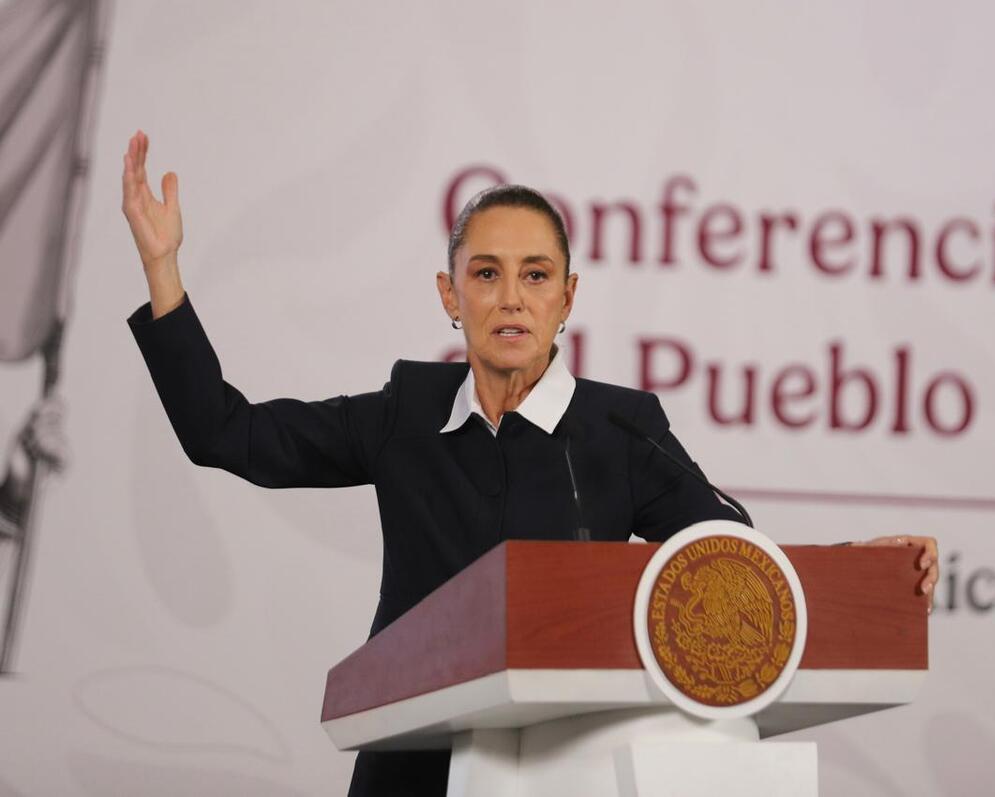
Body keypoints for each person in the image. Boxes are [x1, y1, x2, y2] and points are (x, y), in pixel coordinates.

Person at [120, 130, 939, 796]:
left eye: (535, 275)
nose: (511, 297)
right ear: (450, 296)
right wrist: (164, 271)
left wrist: (850, 570)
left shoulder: (620, 428)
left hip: (560, 772)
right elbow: (228, 434)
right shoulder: (406, 412)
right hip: (411, 766)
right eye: (486, 274)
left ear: (567, 298)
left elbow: (726, 556)